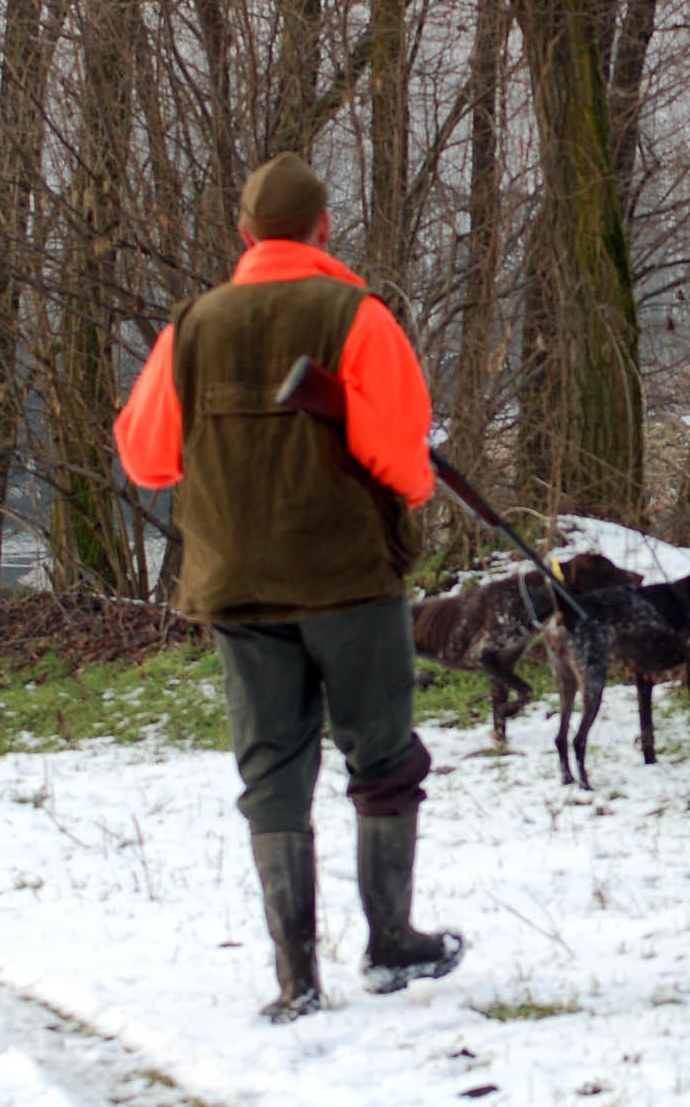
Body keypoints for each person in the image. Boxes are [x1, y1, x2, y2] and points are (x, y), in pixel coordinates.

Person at [114, 152, 463, 1021]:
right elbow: (402, 463)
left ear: (243, 232)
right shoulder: (358, 315)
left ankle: (296, 982)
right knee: (381, 758)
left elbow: (146, 458)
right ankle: (392, 945)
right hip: (349, 581)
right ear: (324, 227)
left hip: (237, 585)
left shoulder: (191, 328)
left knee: (272, 770)